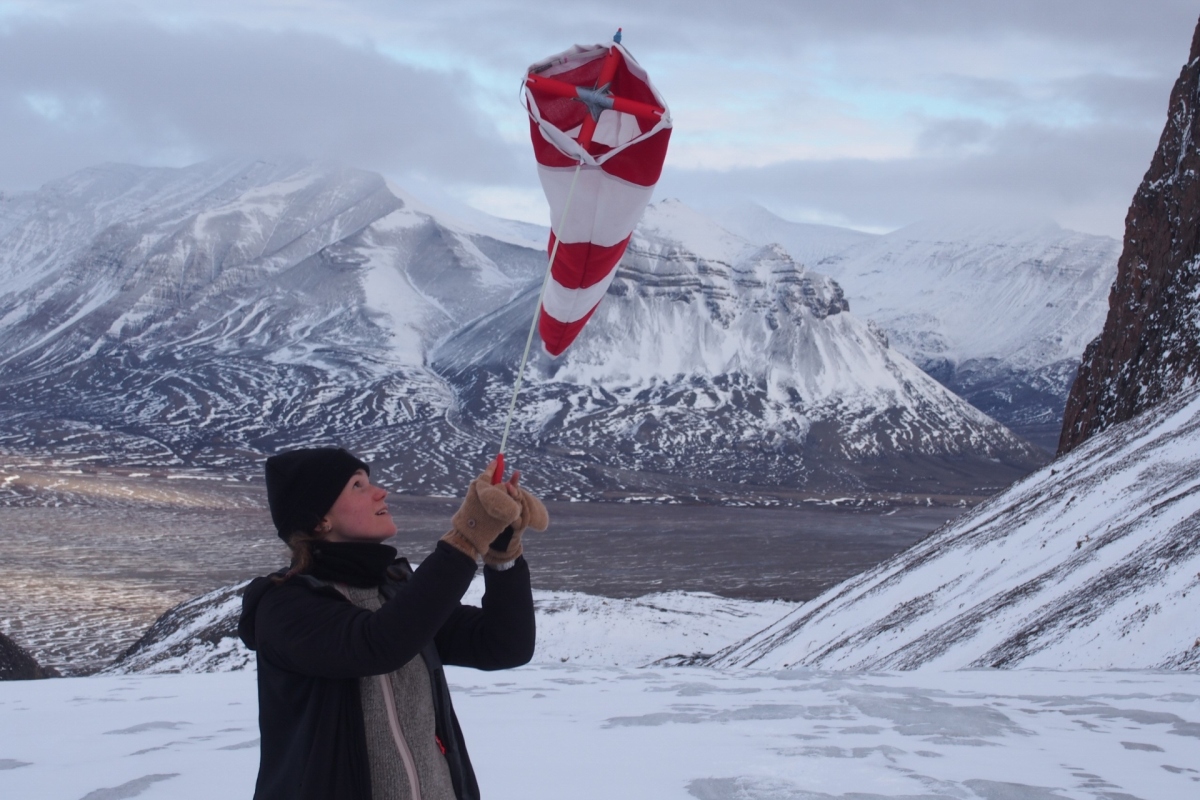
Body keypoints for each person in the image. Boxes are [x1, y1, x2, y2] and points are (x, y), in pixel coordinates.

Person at [237, 447, 547, 800]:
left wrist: (502, 552)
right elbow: (377, 645)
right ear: (320, 519)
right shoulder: (286, 606)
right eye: (357, 486)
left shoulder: (396, 593)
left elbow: (504, 645)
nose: (380, 492)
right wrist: (468, 534)